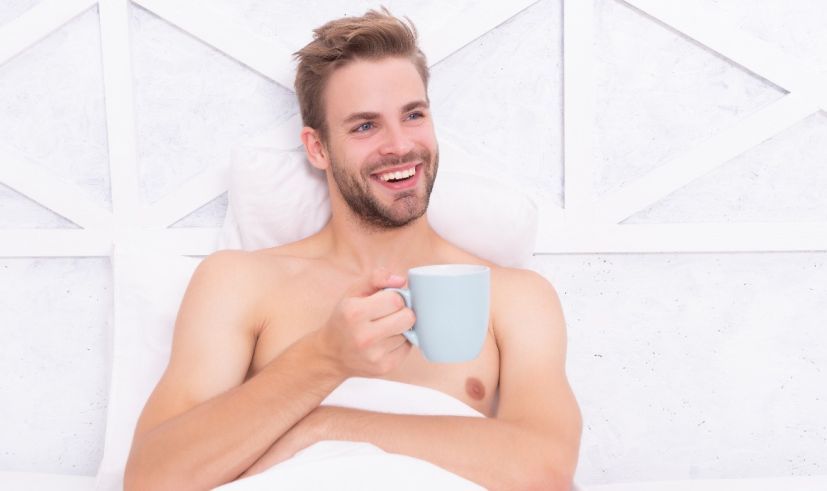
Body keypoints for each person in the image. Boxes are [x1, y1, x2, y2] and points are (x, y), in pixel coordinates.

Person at [124, 8, 581, 491]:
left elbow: (547, 471)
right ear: (317, 148)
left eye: (413, 115)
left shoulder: (515, 297)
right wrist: (323, 359)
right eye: (365, 126)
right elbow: (153, 479)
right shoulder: (240, 281)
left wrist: (325, 425)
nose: (400, 145)